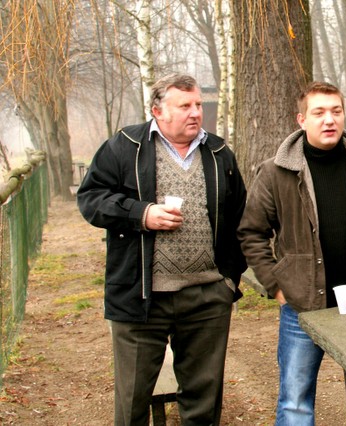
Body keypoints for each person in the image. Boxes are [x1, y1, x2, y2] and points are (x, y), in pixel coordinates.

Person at [77, 73, 247, 425]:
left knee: (203, 400)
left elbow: (241, 219)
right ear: (158, 111)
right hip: (141, 297)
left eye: (198, 104)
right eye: (184, 106)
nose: (195, 113)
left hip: (206, 297)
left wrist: (228, 280)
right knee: (133, 400)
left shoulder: (218, 153)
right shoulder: (124, 147)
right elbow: (91, 199)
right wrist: (142, 213)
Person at [238, 81, 346, 426]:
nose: (329, 120)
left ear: (344, 115)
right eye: (318, 113)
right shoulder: (274, 173)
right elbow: (252, 233)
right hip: (303, 309)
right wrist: (276, 284)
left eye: (336, 111)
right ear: (301, 119)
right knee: (296, 402)